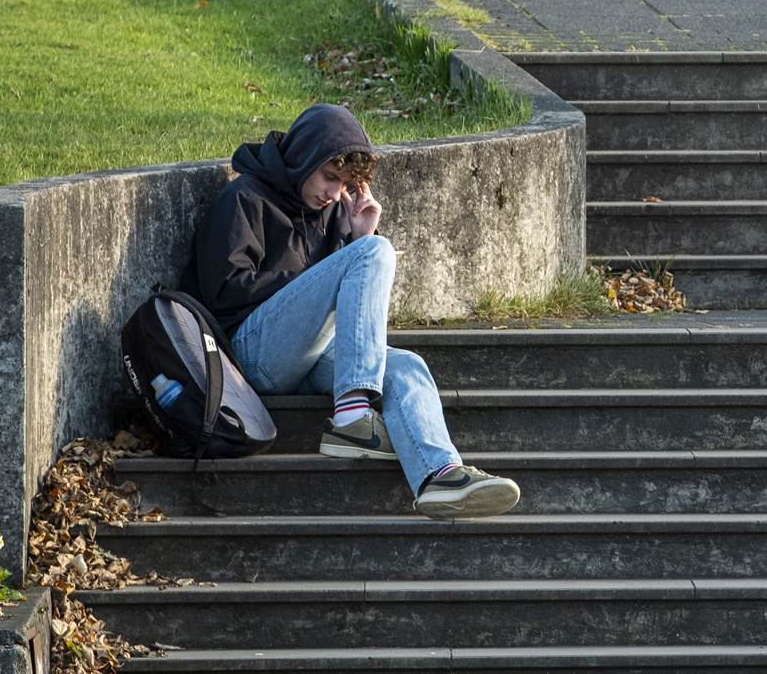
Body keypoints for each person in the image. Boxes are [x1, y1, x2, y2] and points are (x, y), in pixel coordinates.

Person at [188, 103, 521, 519]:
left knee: (405, 366)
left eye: (343, 183)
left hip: (308, 357)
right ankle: (352, 415)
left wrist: (359, 235)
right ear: (304, 157)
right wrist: (330, 271)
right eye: (329, 177)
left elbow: (352, 307)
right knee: (375, 252)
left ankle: (440, 475)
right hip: (252, 354)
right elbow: (222, 291)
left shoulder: (333, 214)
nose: (332, 192)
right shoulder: (245, 198)